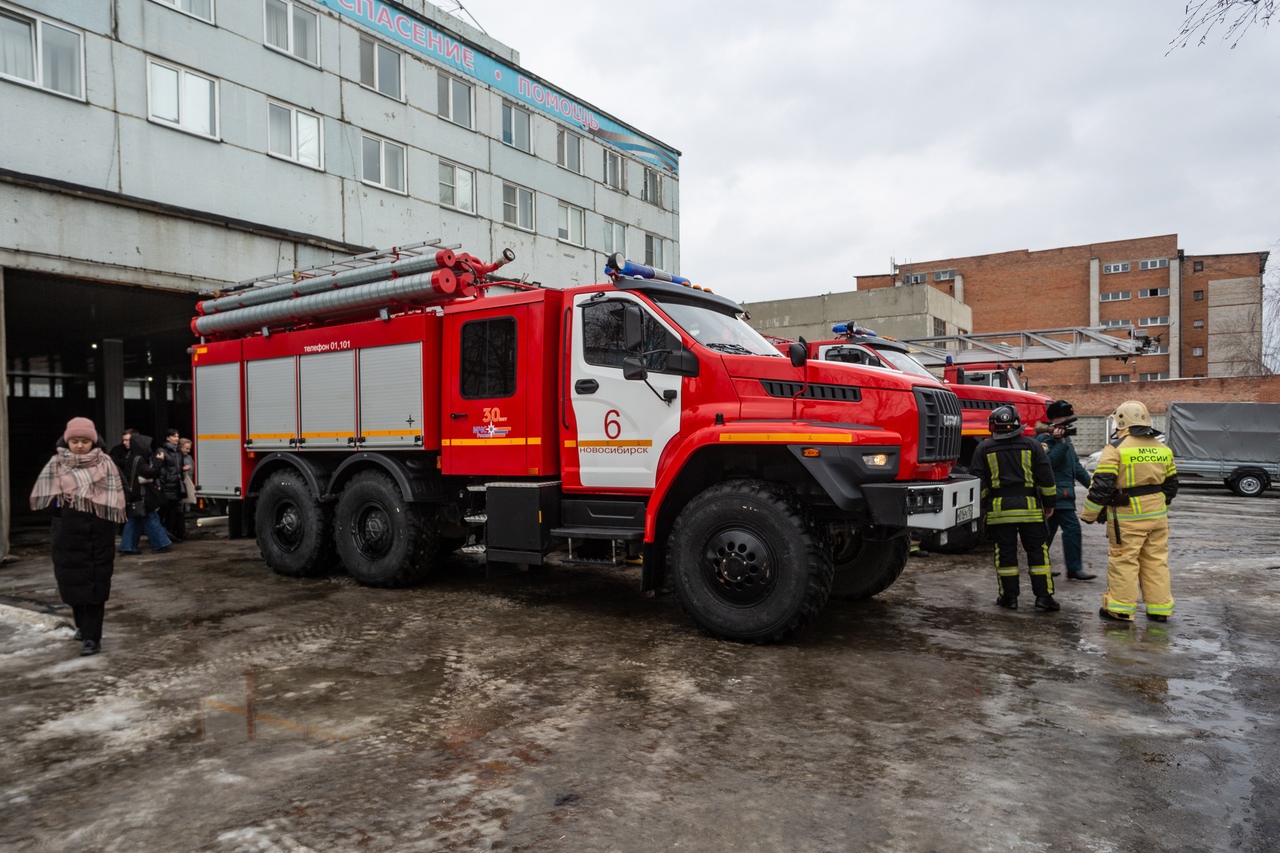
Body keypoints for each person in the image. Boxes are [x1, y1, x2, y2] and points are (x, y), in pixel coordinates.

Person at [29, 417, 126, 656]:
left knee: (95, 586)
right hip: (67, 535)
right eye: (75, 441)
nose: (80, 445)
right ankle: (83, 627)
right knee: (72, 585)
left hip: (98, 533)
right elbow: (46, 499)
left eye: (84, 441)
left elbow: (124, 490)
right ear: (67, 441)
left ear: (93, 442)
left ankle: (93, 638)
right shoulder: (56, 464)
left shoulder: (106, 464)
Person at [1080, 400, 1179, 624]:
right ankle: (1160, 609)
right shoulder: (1163, 449)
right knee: (1156, 562)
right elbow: (1171, 485)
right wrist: (1160, 507)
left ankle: (1120, 610)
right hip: (1157, 516)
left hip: (1127, 518)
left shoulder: (1116, 449)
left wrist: (1089, 514)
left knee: (1124, 562)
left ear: (1122, 421)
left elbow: (1102, 486)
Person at [970, 405, 1060, 612]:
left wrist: (984, 507)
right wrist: (1049, 503)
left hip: (1000, 513)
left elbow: (978, 482)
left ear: (993, 427)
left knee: (1006, 555)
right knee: (1038, 554)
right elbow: (1046, 477)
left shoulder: (983, 448)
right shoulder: (1033, 446)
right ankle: (1044, 598)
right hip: (1031, 511)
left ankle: (1009, 598)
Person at [1036, 400, 1097, 581]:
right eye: (1065, 417)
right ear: (1055, 418)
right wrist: (1060, 443)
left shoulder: (1065, 438)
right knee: (1072, 529)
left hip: (1064, 494)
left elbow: (1076, 467)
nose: (1069, 421)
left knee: (1047, 533)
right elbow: (1047, 464)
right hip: (1055, 494)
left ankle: (1041, 566)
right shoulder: (1045, 438)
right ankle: (1073, 568)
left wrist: (1093, 487)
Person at [118, 433, 173, 555]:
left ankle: (128, 547)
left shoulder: (132, 457)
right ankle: (160, 544)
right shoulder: (139, 459)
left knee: (135, 520)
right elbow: (150, 472)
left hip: (135, 495)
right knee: (151, 518)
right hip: (142, 495)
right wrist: (159, 461)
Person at [157, 428, 185, 542]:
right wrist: (159, 483)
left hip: (176, 485)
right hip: (166, 485)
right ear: (168, 438)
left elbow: (179, 467)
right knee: (165, 511)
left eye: (177, 436)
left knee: (174, 512)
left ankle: (172, 534)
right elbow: (158, 468)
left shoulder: (179, 452)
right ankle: (164, 534)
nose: (176, 439)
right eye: (174, 436)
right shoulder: (161, 450)